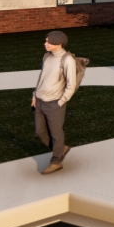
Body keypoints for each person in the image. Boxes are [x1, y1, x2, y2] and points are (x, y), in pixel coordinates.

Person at [32, 30, 79, 174]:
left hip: (54, 103)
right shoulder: (47, 56)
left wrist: (61, 102)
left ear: (58, 44)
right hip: (39, 101)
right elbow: (42, 77)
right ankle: (61, 148)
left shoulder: (67, 60)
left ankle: (56, 161)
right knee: (40, 130)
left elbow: (71, 85)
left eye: (48, 42)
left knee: (56, 133)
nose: (45, 44)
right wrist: (34, 96)